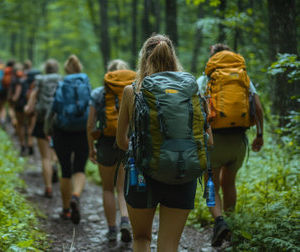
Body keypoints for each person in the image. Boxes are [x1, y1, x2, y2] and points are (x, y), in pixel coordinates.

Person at [116, 34, 210, 252]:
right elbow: (208, 140)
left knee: (141, 238)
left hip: (142, 176)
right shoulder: (190, 90)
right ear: (173, 57)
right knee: (169, 244)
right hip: (183, 173)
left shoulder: (132, 91)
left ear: (143, 58)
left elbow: (121, 141)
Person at [198, 43, 264, 247]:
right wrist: (259, 134)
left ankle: (219, 222)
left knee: (212, 185)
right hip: (238, 141)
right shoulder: (243, 78)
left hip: (214, 140)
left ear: (212, 58)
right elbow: (259, 108)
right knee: (229, 184)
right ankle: (230, 228)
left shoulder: (205, 79)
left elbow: (199, 110)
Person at [86, 59, 133, 242]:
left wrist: (91, 148)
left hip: (105, 143)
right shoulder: (133, 90)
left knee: (107, 189)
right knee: (122, 188)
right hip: (126, 142)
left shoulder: (99, 93)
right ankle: (125, 220)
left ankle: (112, 230)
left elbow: (90, 124)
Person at [45, 55, 91, 225]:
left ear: (66, 70)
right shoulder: (86, 84)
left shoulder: (63, 84)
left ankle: (66, 210)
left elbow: (54, 108)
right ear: (79, 68)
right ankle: (76, 196)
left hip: (62, 131)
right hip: (82, 132)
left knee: (65, 170)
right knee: (79, 167)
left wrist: (47, 129)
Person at [24, 59, 62, 198]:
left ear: (45, 69)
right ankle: (55, 163)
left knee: (44, 157)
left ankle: (48, 188)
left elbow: (29, 107)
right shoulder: (61, 81)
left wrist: (28, 109)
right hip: (57, 122)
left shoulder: (39, 81)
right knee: (54, 150)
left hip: (41, 122)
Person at [11, 60, 40, 156]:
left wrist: (12, 100)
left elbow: (16, 96)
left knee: (20, 125)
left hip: (20, 105)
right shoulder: (34, 80)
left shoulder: (20, 79)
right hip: (31, 106)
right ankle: (31, 144)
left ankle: (23, 146)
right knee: (31, 125)